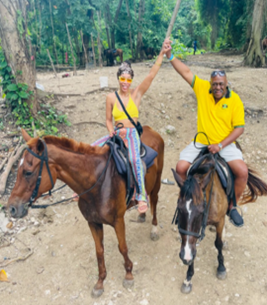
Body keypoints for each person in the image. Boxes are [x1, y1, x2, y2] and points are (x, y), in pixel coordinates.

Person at [73, 41, 171, 213]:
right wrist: (111, 130)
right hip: (117, 133)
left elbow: (151, 75)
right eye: (122, 79)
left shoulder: (136, 94)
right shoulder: (110, 97)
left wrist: (161, 54)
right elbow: (108, 119)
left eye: (128, 79)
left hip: (132, 133)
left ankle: (141, 195)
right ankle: (79, 187)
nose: (125, 82)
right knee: (91, 149)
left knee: (134, 159)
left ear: (131, 80)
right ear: (118, 79)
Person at [164, 38, 247, 227]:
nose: (217, 87)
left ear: (227, 84)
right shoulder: (202, 89)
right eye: (215, 84)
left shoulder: (235, 100)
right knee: (181, 168)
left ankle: (232, 206)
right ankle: (188, 201)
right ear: (210, 83)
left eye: (221, 84)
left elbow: (239, 128)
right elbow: (185, 72)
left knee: (242, 172)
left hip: (224, 144)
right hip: (201, 141)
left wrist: (220, 145)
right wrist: (170, 55)